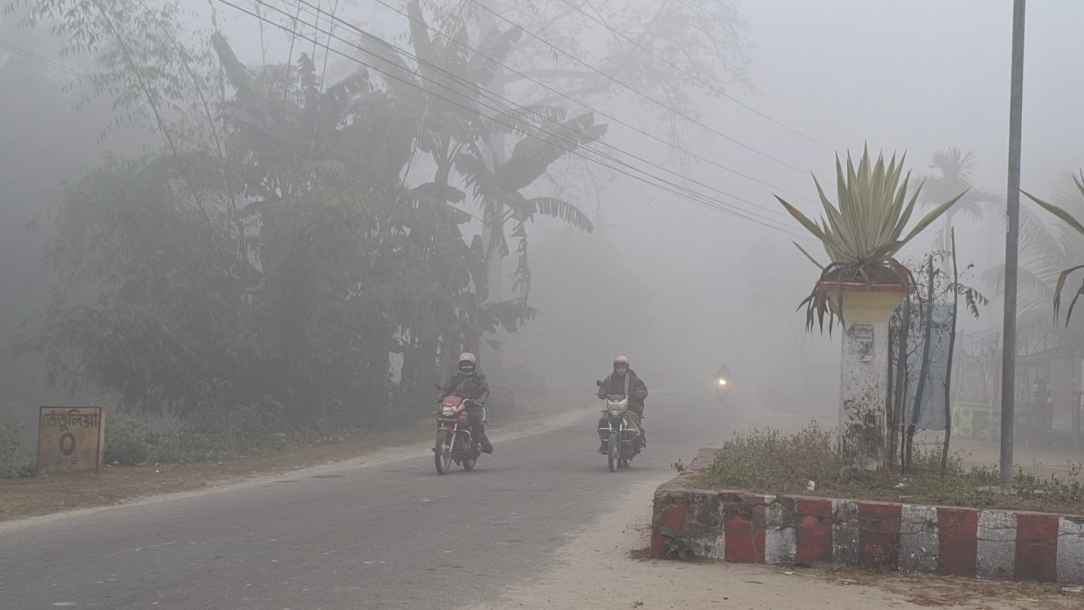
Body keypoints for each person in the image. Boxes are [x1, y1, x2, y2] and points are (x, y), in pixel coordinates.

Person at [440, 352, 493, 454]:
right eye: (464, 364)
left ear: (474, 365)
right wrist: (441, 396)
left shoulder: (479, 376)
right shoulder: (456, 376)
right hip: (458, 403)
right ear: (460, 365)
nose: (466, 367)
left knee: (475, 418)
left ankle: (475, 442)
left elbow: (484, 391)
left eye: (468, 364)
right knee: (443, 416)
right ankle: (444, 439)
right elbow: (448, 388)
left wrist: (480, 401)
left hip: (474, 404)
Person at [597, 355, 648, 453]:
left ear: (627, 368)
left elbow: (642, 387)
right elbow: (604, 387)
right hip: (614, 407)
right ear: (615, 368)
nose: (620, 370)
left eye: (622, 368)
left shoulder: (633, 377)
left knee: (634, 421)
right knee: (604, 420)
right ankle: (604, 443)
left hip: (631, 406)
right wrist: (602, 392)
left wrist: (640, 392)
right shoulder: (610, 378)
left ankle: (639, 443)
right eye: (618, 368)